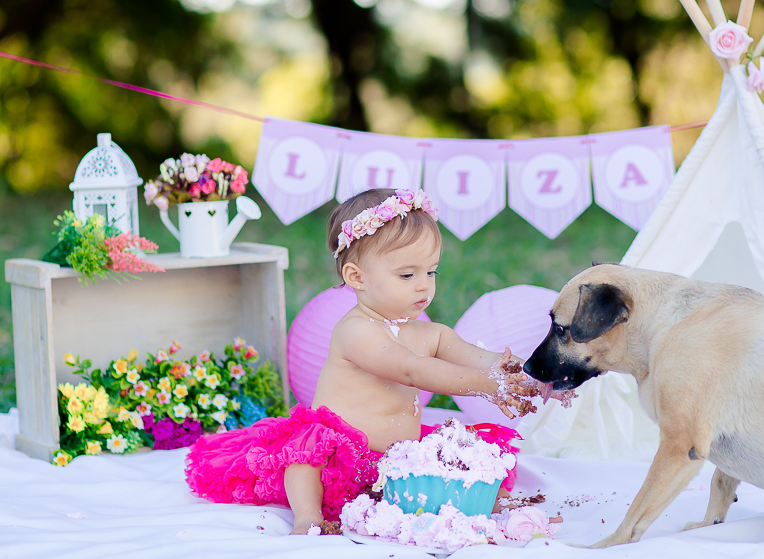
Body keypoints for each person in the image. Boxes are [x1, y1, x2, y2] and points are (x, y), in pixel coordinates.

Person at [185, 187, 538, 533]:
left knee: (464, 452)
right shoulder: (357, 331)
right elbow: (410, 370)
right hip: (341, 456)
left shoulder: (430, 333)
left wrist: (517, 372)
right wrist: (484, 387)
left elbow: (476, 356)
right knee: (303, 454)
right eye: (407, 275)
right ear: (356, 276)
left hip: (395, 458)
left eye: (431, 272)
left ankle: (492, 501)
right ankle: (307, 517)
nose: (424, 286)